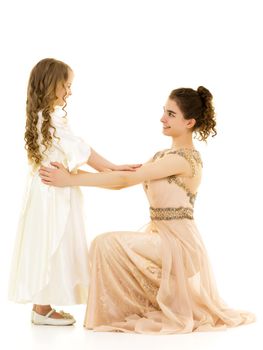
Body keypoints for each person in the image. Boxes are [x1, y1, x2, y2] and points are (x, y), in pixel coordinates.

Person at [39, 86, 255, 333]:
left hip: (180, 246)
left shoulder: (183, 159)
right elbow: (122, 176)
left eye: (171, 114)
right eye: (164, 111)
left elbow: (123, 182)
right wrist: (74, 172)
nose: (162, 118)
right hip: (162, 238)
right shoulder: (163, 155)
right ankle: (127, 310)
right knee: (106, 245)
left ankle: (115, 314)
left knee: (105, 243)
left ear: (190, 122)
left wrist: (72, 180)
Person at [8, 58, 140, 326]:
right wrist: (112, 169)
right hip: (54, 192)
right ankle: (42, 308)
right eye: (66, 85)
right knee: (54, 243)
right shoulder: (52, 117)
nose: (69, 91)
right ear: (52, 84)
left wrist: (109, 168)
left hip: (47, 190)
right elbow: (81, 149)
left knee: (48, 243)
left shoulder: (41, 115)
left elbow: (78, 148)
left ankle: (42, 306)